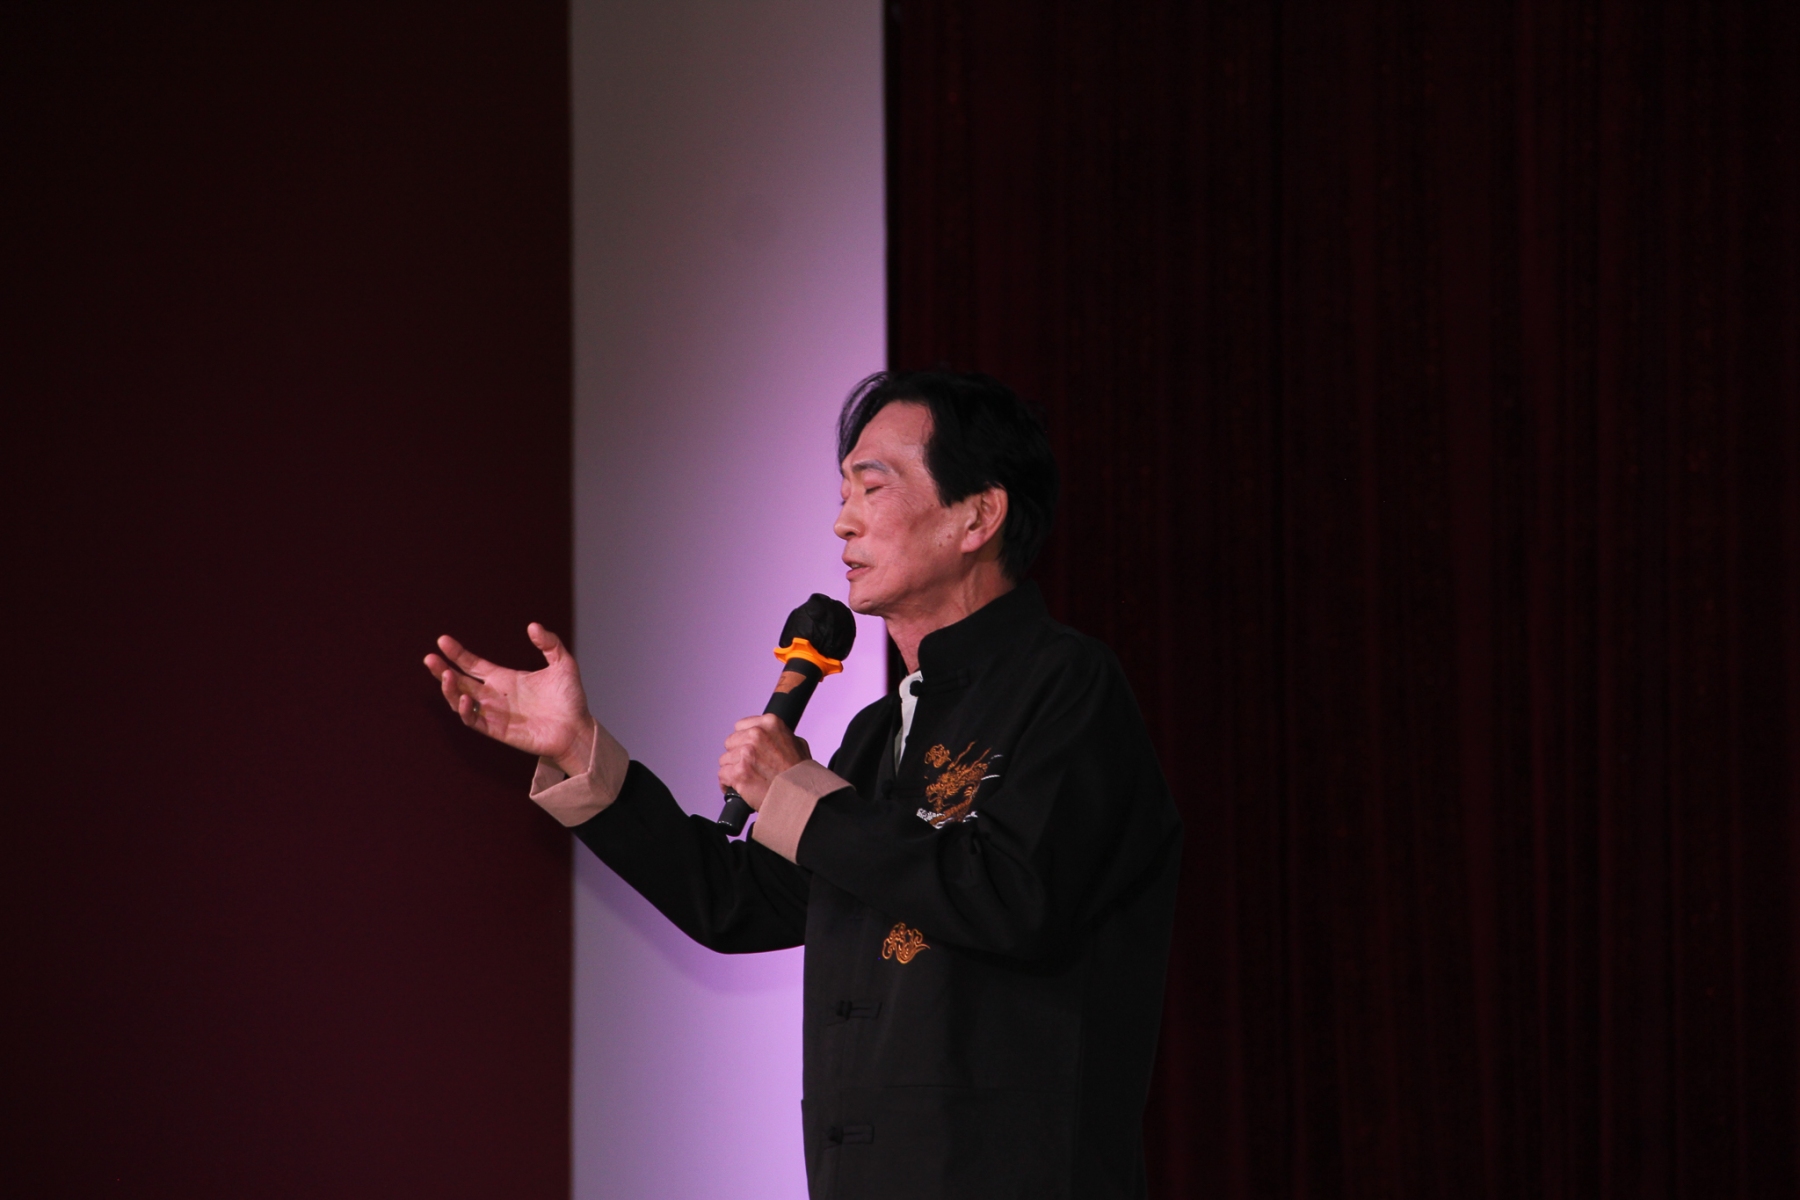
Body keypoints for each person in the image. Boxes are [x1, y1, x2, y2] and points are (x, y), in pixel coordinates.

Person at [424, 370, 1182, 1199]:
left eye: (872, 486)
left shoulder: (1068, 684)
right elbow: (739, 902)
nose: (842, 520)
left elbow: (1014, 894)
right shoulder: (878, 732)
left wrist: (798, 793)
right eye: (842, 492)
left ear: (978, 516)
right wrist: (580, 752)